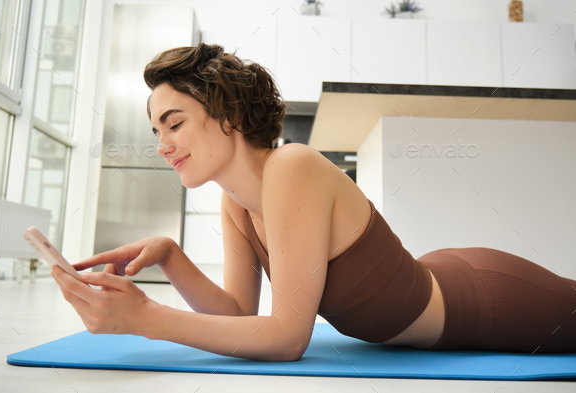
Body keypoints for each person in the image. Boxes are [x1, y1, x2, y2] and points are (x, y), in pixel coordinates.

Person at [51, 43, 576, 361]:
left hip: (482, 299)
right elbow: (239, 316)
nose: (162, 144)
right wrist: (171, 255)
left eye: (175, 123)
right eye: (155, 130)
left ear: (227, 113)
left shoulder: (292, 166)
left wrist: (145, 317)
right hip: (442, 271)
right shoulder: (235, 203)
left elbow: (285, 338)